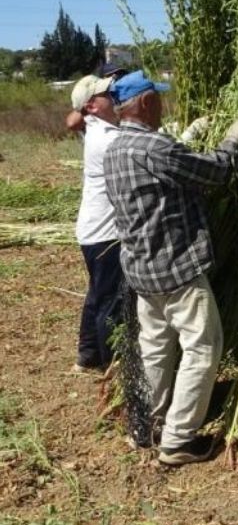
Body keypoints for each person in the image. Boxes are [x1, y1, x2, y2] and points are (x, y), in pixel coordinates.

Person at [102, 70, 238, 466]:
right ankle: (177, 441)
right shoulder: (154, 147)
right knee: (203, 349)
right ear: (146, 103)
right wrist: (232, 139)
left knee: (155, 349)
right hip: (176, 270)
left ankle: (148, 426)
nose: (163, 107)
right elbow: (214, 172)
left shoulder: (115, 148)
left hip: (140, 271)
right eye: (159, 100)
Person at [69, 74, 123, 373]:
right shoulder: (108, 139)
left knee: (98, 294)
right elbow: (150, 147)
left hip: (93, 231)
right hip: (106, 235)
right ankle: (112, 364)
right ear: (91, 106)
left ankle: (87, 355)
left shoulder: (94, 127)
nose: (114, 96)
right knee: (110, 302)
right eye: (108, 94)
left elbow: (72, 120)